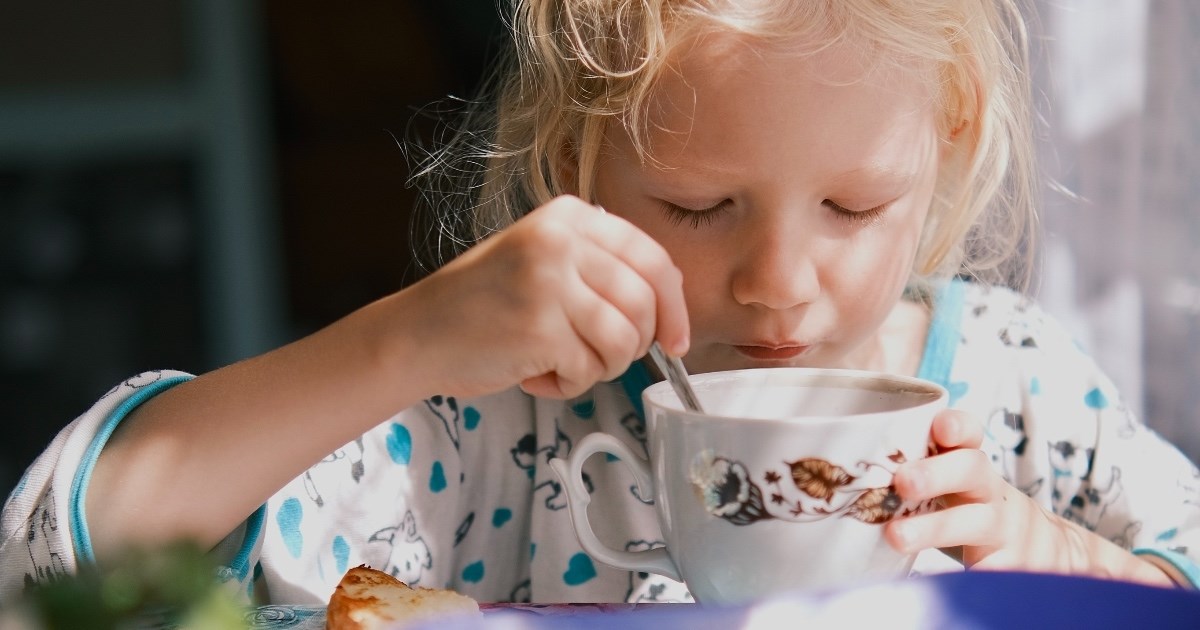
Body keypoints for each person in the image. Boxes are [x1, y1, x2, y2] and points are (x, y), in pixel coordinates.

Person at [3, 0, 1198, 606]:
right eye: (695, 206)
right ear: (578, 166)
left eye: (852, 208)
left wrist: (1061, 564)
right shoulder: (501, 422)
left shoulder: (1021, 390)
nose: (779, 284)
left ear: (949, 146)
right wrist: (408, 340)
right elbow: (63, 561)